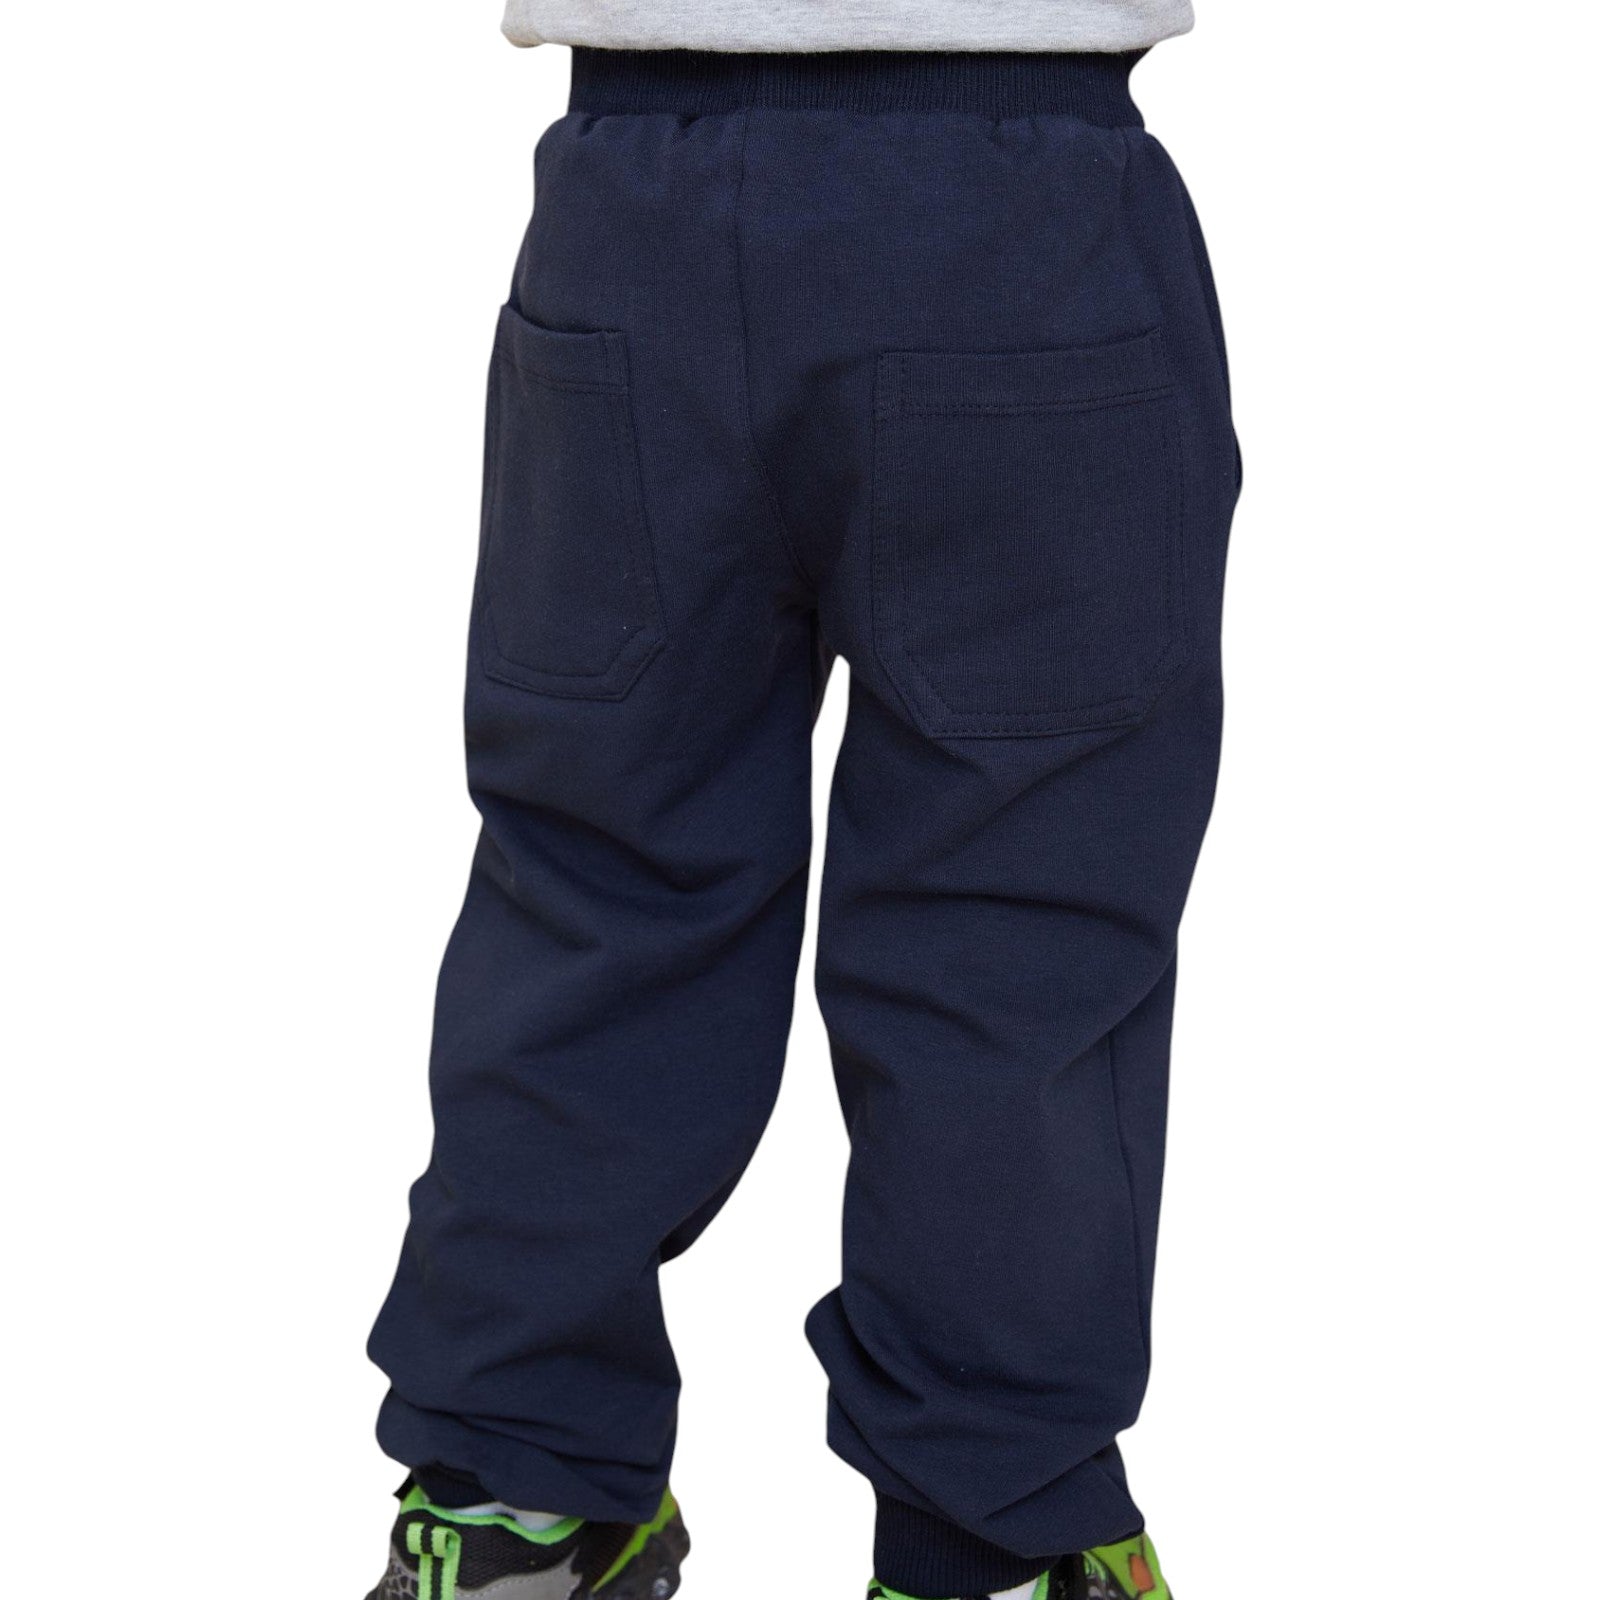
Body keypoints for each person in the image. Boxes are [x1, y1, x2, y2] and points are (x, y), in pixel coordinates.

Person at [366, 2, 1239, 1596]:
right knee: (1013, 927)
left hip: (633, 192)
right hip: (1021, 205)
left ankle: (512, 1506)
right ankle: (991, 1540)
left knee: (597, 889)